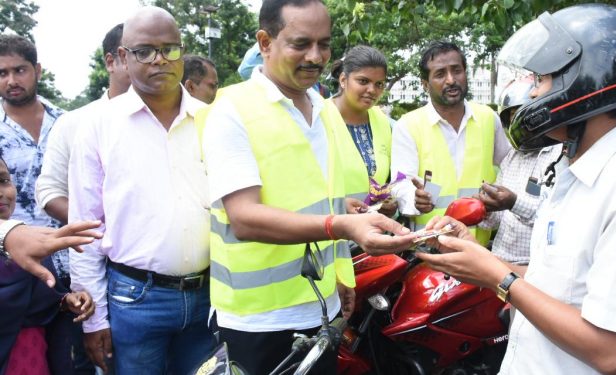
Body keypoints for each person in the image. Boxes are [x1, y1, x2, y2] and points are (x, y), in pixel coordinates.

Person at [416, 4, 616, 374]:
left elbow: (612, 353)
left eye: (541, 80)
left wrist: (497, 277)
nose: (532, 93)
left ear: (584, 82)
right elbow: (556, 287)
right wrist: (478, 258)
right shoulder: (573, 170)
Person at [200, 0, 415, 373]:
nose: (315, 57)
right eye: (300, 44)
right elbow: (244, 218)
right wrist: (342, 226)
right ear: (265, 42)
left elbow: (322, 199)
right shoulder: (231, 110)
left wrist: (341, 276)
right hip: (258, 319)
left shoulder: (322, 108)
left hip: (321, 306)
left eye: (324, 44)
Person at [68, 7, 214, 374]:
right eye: (145, 51)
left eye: (170, 49)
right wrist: (94, 320)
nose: (160, 60)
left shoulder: (212, 120)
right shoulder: (97, 125)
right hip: (134, 299)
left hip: (210, 296)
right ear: (121, 57)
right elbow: (85, 227)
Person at [390, 41, 511, 245]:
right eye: (440, 74)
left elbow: (510, 166)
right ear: (425, 84)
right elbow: (401, 183)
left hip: (479, 249)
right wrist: (415, 200)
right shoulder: (409, 125)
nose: (451, 80)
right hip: (430, 248)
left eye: (457, 71)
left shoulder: (488, 118)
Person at [0, 157, 95, 375]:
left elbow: (43, 300)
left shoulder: (34, 243)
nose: (0, 192)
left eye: (4, 180)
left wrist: (66, 301)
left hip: (33, 356)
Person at [36, 23, 130, 226]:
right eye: (138, 54)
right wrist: (101, 227)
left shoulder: (179, 120)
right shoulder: (74, 123)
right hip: (95, 250)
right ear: (111, 62)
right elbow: (50, 191)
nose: (152, 62)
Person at [0, 34, 68, 280]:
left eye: (20, 70)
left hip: (75, 255)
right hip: (15, 263)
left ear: (37, 70)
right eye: (2, 73)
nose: (11, 81)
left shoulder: (67, 122)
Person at [477, 77, 561, 264]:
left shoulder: (558, 155)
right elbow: (496, 221)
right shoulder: (511, 157)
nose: (519, 122)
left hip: (533, 267)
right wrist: (485, 208)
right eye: (514, 115)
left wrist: (513, 203)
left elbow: (553, 219)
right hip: (500, 260)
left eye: (526, 114)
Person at [329, 45, 397, 217]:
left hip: (372, 233)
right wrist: (338, 205)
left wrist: (388, 202)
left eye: (379, 84)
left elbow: (387, 179)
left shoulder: (384, 122)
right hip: (330, 232)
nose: (372, 90)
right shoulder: (318, 117)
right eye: (363, 81)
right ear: (343, 80)